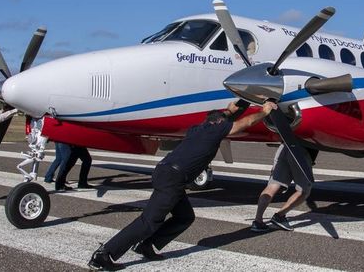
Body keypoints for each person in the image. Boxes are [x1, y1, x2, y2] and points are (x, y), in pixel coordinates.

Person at [87, 99, 277, 271]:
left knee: (185, 216)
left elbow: (224, 114)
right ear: (219, 123)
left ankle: (147, 245)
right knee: (149, 221)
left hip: (167, 173)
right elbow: (247, 122)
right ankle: (104, 254)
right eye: (224, 122)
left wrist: (235, 105)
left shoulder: (199, 128)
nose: (226, 124)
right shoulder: (215, 129)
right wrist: (265, 110)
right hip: (173, 178)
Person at [250, 142, 314, 232]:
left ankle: (257, 221)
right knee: (304, 191)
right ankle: (279, 216)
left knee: (273, 185)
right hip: (301, 149)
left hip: (284, 146)